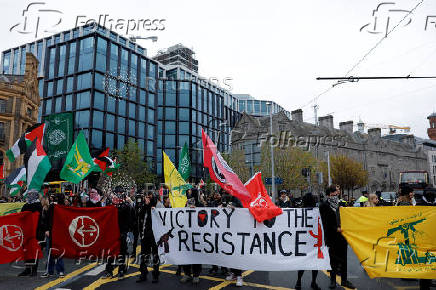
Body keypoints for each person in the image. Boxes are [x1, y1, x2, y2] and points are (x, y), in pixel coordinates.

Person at [319, 185, 355, 289]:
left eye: (338, 191)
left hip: (342, 235)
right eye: (335, 192)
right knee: (333, 260)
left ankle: (344, 280)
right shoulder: (324, 205)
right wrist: (335, 229)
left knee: (344, 259)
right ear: (330, 193)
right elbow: (325, 222)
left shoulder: (341, 204)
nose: (337, 193)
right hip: (332, 236)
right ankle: (333, 281)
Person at [102, 186, 134, 280]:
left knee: (122, 252)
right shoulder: (111, 205)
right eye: (117, 193)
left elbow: (130, 218)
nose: (118, 194)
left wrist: (127, 231)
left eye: (120, 193)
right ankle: (109, 271)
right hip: (112, 232)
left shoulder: (126, 205)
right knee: (110, 252)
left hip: (122, 232)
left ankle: (121, 271)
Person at [295, 192, 321, 290]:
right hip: (314, 240)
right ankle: (313, 282)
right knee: (315, 263)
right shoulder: (316, 211)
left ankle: (298, 282)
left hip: (303, 240)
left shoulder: (300, 211)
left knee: (303, 263)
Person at [18, 190, 44, 277]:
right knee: (26, 251)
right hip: (27, 232)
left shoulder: (38, 205)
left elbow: (39, 218)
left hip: (36, 232)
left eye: (31, 195)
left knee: (34, 251)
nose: (29, 196)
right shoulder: (26, 205)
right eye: (29, 194)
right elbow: (21, 216)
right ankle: (27, 269)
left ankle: (34, 270)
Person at [136, 191, 160, 283]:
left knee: (155, 256)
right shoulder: (144, 207)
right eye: (146, 197)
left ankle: (156, 275)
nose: (147, 199)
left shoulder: (157, 206)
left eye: (149, 197)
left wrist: (150, 206)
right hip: (144, 235)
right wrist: (145, 205)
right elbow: (139, 215)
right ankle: (143, 274)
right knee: (144, 256)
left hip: (154, 236)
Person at [180, 188, 202, 284]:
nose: (188, 194)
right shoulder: (186, 204)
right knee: (186, 254)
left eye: (190, 192)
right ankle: (187, 273)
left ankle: (196, 275)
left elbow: (205, 220)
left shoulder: (200, 205)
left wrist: (196, 210)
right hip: (187, 234)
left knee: (196, 255)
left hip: (197, 235)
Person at [41, 193, 66, 278]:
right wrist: (47, 229)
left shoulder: (64, 207)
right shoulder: (52, 207)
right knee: (50, 252)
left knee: (58, 251)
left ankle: (60, 271)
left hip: (60, 232)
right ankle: (49, 271)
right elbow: (47, 219)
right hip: (51, 232)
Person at [225, 195, 245, 287]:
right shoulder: (226, 196)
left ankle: (239, 276)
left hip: (237, 230)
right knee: (230, 254)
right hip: (228, 230)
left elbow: (244, 210)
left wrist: (235, 208)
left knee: (237, 254)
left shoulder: (237, 196)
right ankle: (233, 273)